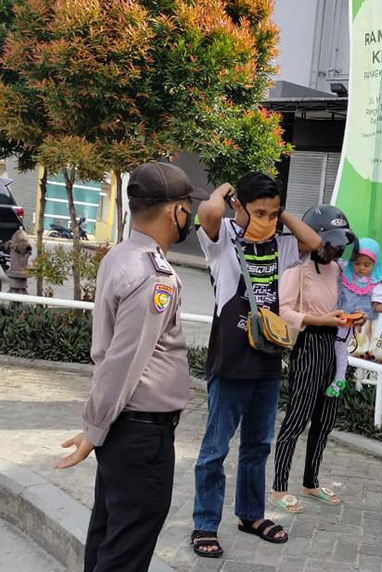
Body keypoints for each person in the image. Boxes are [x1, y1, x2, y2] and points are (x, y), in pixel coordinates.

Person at [55, 162, 210, 572]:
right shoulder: (153, 276)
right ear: (172, 211)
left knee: (109, 535)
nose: (189, 215)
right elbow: (125, 362)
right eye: (186, 206)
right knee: (126, 549)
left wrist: (99, 428)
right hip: (141, 434)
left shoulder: (121, 256)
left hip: (126, 432)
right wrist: (94, 428)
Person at [191, 172, 321, 558]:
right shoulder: (222, 241)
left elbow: (313, 242)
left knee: (258, 446)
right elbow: (208, 211)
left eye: (273, 213)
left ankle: (250, 515)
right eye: (259, 212)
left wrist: (280, 216)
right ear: (239, 208)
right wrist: (224, 192)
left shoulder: (281, 243)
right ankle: (204, 523)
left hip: (267, 360)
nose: (267, 220)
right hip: (229, 362)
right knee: (215, 450)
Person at [270, 204, 355, 513]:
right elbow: (284, 311)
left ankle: (310, 481)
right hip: (309, 346)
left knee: (325, 420)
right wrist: (322, 320)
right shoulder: (297, 267)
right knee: (298, 417)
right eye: (330, 243)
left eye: (339, 244)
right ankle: (279, 487)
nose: (335, 250)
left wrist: (350, 318)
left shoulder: (337, 270)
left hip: (335, 348)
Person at [326, 237, 382, 398]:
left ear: (375, 264)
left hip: (349, 321)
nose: (360, 268)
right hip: (331, 315)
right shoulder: (345, 269)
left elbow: (376, 306)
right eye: (357, 263)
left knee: (339, 348)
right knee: (329, 346)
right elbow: (332, 262)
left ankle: (339, 378)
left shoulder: (375, 284)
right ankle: (330, 375)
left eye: (366, 265)